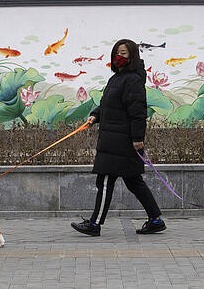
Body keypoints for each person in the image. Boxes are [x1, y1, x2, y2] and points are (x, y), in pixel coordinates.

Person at [71, 39, 166, 237]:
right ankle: (155, 219)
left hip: (120, 141)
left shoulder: (132, 79)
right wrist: (96, 115)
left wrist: (138, 137)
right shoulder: (118, 78)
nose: (119, 57)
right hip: (114, 138)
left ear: (132, 56)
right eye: (117, 53)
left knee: (105, 180)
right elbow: (109, 104)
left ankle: (95, 224)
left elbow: (138, 111)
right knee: (133, 181)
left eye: (123, 53)